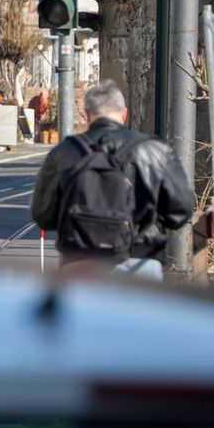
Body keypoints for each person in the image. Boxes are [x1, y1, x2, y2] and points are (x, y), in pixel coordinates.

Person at [30, 79, 194, 281]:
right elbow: (181, 210)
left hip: (80, 264)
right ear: (124, 113)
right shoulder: (155, 151)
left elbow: (42, 214)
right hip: (141, 261)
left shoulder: (63, 153)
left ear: (86, 114)